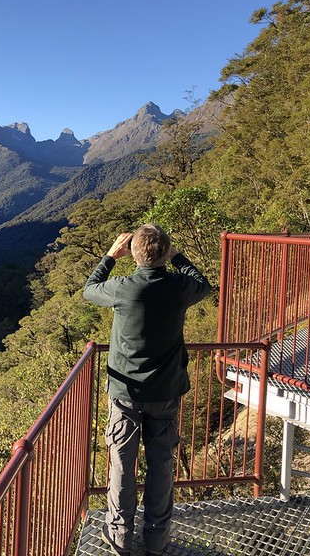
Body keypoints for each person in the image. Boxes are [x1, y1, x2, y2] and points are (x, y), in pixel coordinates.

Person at [82, 223, 211, 556]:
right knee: (161, 463)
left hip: (125, 393)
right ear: (164, 253)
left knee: (123, 465)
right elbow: (204, 285)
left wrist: (110, 256)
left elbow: (89, 289)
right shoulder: (180, 287)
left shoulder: (125, 288)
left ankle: (120, 538)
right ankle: (156, 540)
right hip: (166, 393)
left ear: (135, 255)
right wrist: (178, 255)